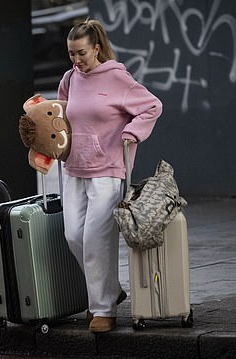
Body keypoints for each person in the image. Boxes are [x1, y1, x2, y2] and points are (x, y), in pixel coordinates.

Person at [57, 19, 162, 332]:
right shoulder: (70, 78)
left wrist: (132, 132)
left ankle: (103, 310)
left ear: (96, 49)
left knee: (96, 240)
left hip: (108, 169)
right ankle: (112, 291)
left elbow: (152, 106)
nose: (76, 60)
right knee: (73, 235)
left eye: (81, 53)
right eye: (71, 54)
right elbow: (60, 113)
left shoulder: (117, 77)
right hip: (74, 167)